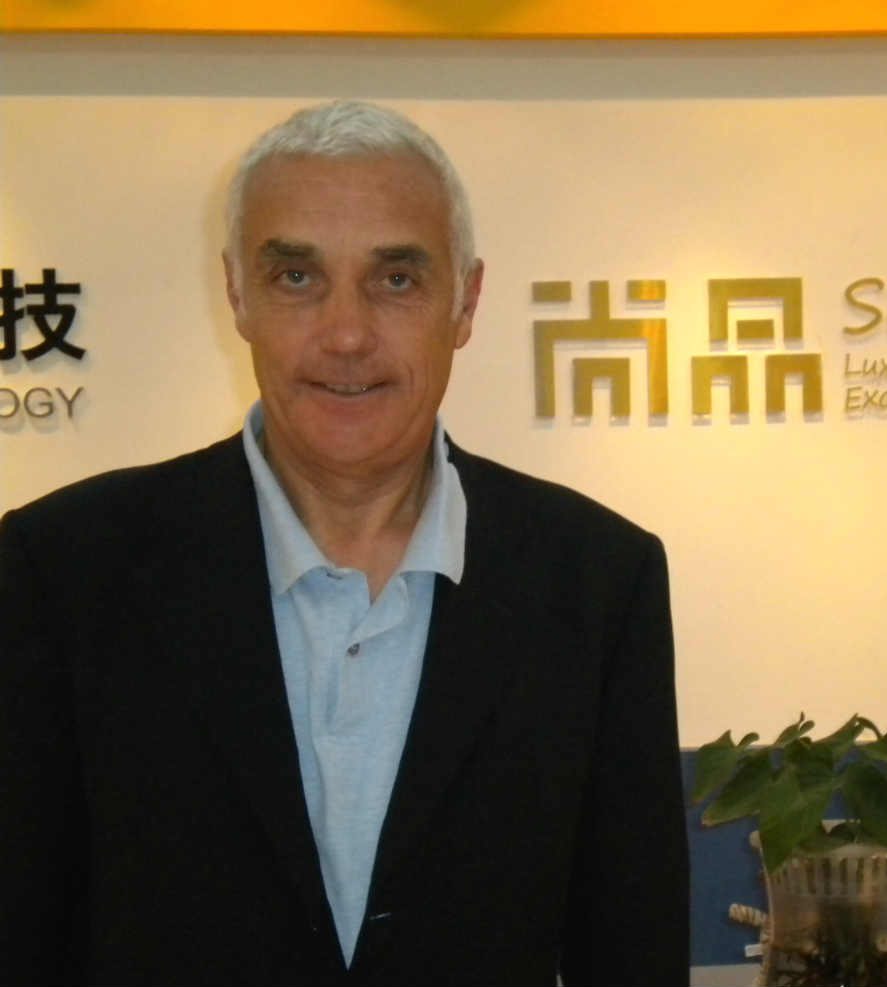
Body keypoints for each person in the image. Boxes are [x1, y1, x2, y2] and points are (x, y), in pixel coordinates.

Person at [0, 100, 690, 985]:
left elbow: (633, 953)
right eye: (297, 278)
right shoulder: (64, 570)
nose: (348, 334)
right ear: (237, 294)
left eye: (396, 279)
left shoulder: (598, 582)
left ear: (466, 301)